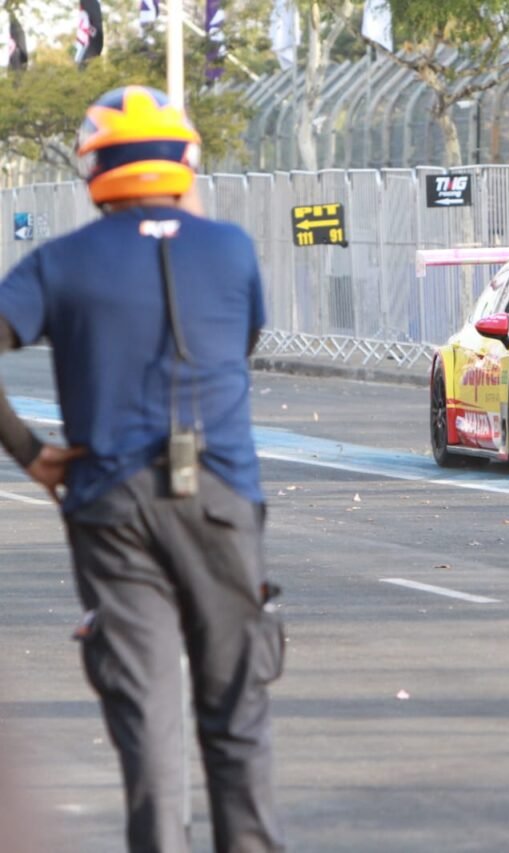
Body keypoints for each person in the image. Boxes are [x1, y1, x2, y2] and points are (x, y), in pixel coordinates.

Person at [0, 85, 285, 852]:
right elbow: (242, 342)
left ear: (93, 168)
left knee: (148, 719)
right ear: (185, 160)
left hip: (111, 504)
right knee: (237, 711)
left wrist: (28, 451)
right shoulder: (230, 250)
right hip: (222, 500)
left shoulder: (59, 262)